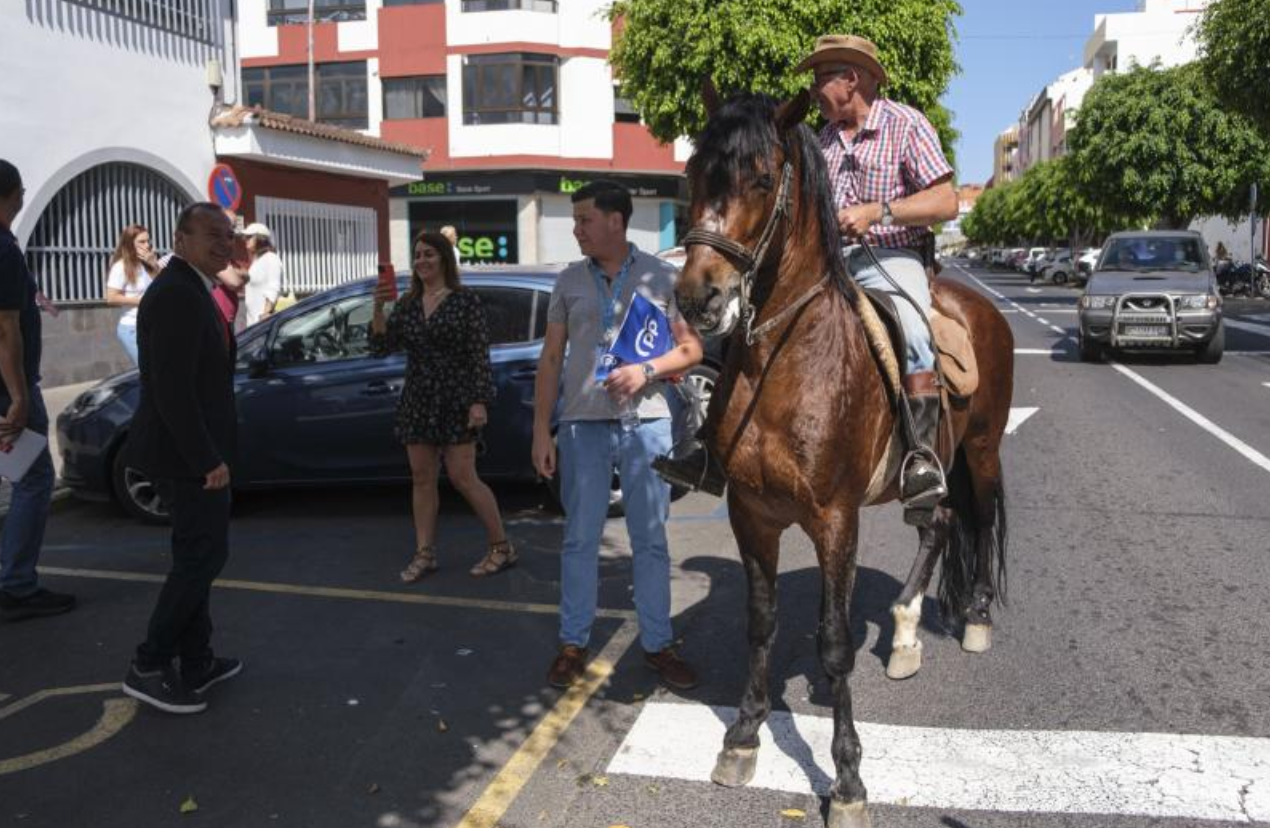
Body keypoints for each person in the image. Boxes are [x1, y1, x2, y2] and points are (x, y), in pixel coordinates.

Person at [655, 34, 959, 528]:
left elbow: (946, 201)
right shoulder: (820, 139)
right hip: (829, 263)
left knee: (913, 326)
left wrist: (879, 211)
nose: (814, 88)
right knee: (745, 324)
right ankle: (711, 449)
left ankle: (920, 459)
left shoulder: (906, 124)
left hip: (892, 254)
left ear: (852, 79)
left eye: (822, 77)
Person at [531, 181, 705, 691]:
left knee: (649, 541)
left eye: (584, 219)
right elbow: (549, 359)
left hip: (646, 425)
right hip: (582, 426)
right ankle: (572, 644)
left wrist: (645, 370)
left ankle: (658, 644)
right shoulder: (568, 281)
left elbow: (691, 351)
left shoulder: (663, 277)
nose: (576, 229)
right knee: (579, 540)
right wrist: (543, 429)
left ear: (615, 221)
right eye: (576, 220)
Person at [121, 202, 240, 715]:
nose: (223, 244)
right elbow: (171, 390)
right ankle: (150, 663)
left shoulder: (194, 287)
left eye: (228, 235)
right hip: (184, 456)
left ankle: (197, 660)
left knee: (199, 555)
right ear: (181, 238)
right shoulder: (176, 294)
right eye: (212, 235)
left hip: (193, 453)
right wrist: (205, 458)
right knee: (201, 558)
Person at [370, 232, 514, 582]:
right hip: (418, 398)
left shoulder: (465, 301)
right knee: (421, 478)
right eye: (417, 255)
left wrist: (478, 401)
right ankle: (425, 553)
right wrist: (378, 307)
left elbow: (479, 354)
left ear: (444, 259)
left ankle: (502, 546)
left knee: (464, 477)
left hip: (456, 397)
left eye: (429, 254)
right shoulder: (406, 304)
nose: (421, 261)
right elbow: (381, 347)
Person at [0, 159, 76, 622]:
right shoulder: (4, 249)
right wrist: (20, 395)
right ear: (16, 194)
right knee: (33, 479)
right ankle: (17, 585)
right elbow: (6, 329)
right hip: (8, 387)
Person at [105, 224, 161, 364]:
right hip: (132, 327)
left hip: (153, 325)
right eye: (141, 242)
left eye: (148, 241)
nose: (147, 245)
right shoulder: (121, 266)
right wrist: (142, 301)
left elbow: (163, 288)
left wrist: (154, 266)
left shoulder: (148, 263)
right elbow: (111, 297)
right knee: (148, 371)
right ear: (130, 244)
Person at [243, 222, 282, 326]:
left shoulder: (271, 258)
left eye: (249, 237)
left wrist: (266, 314)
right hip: (252, 322)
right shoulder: (257, 261)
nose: (245, 240)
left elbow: (274, 287)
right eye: (245, 237)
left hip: (262, 324)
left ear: (260, 239)